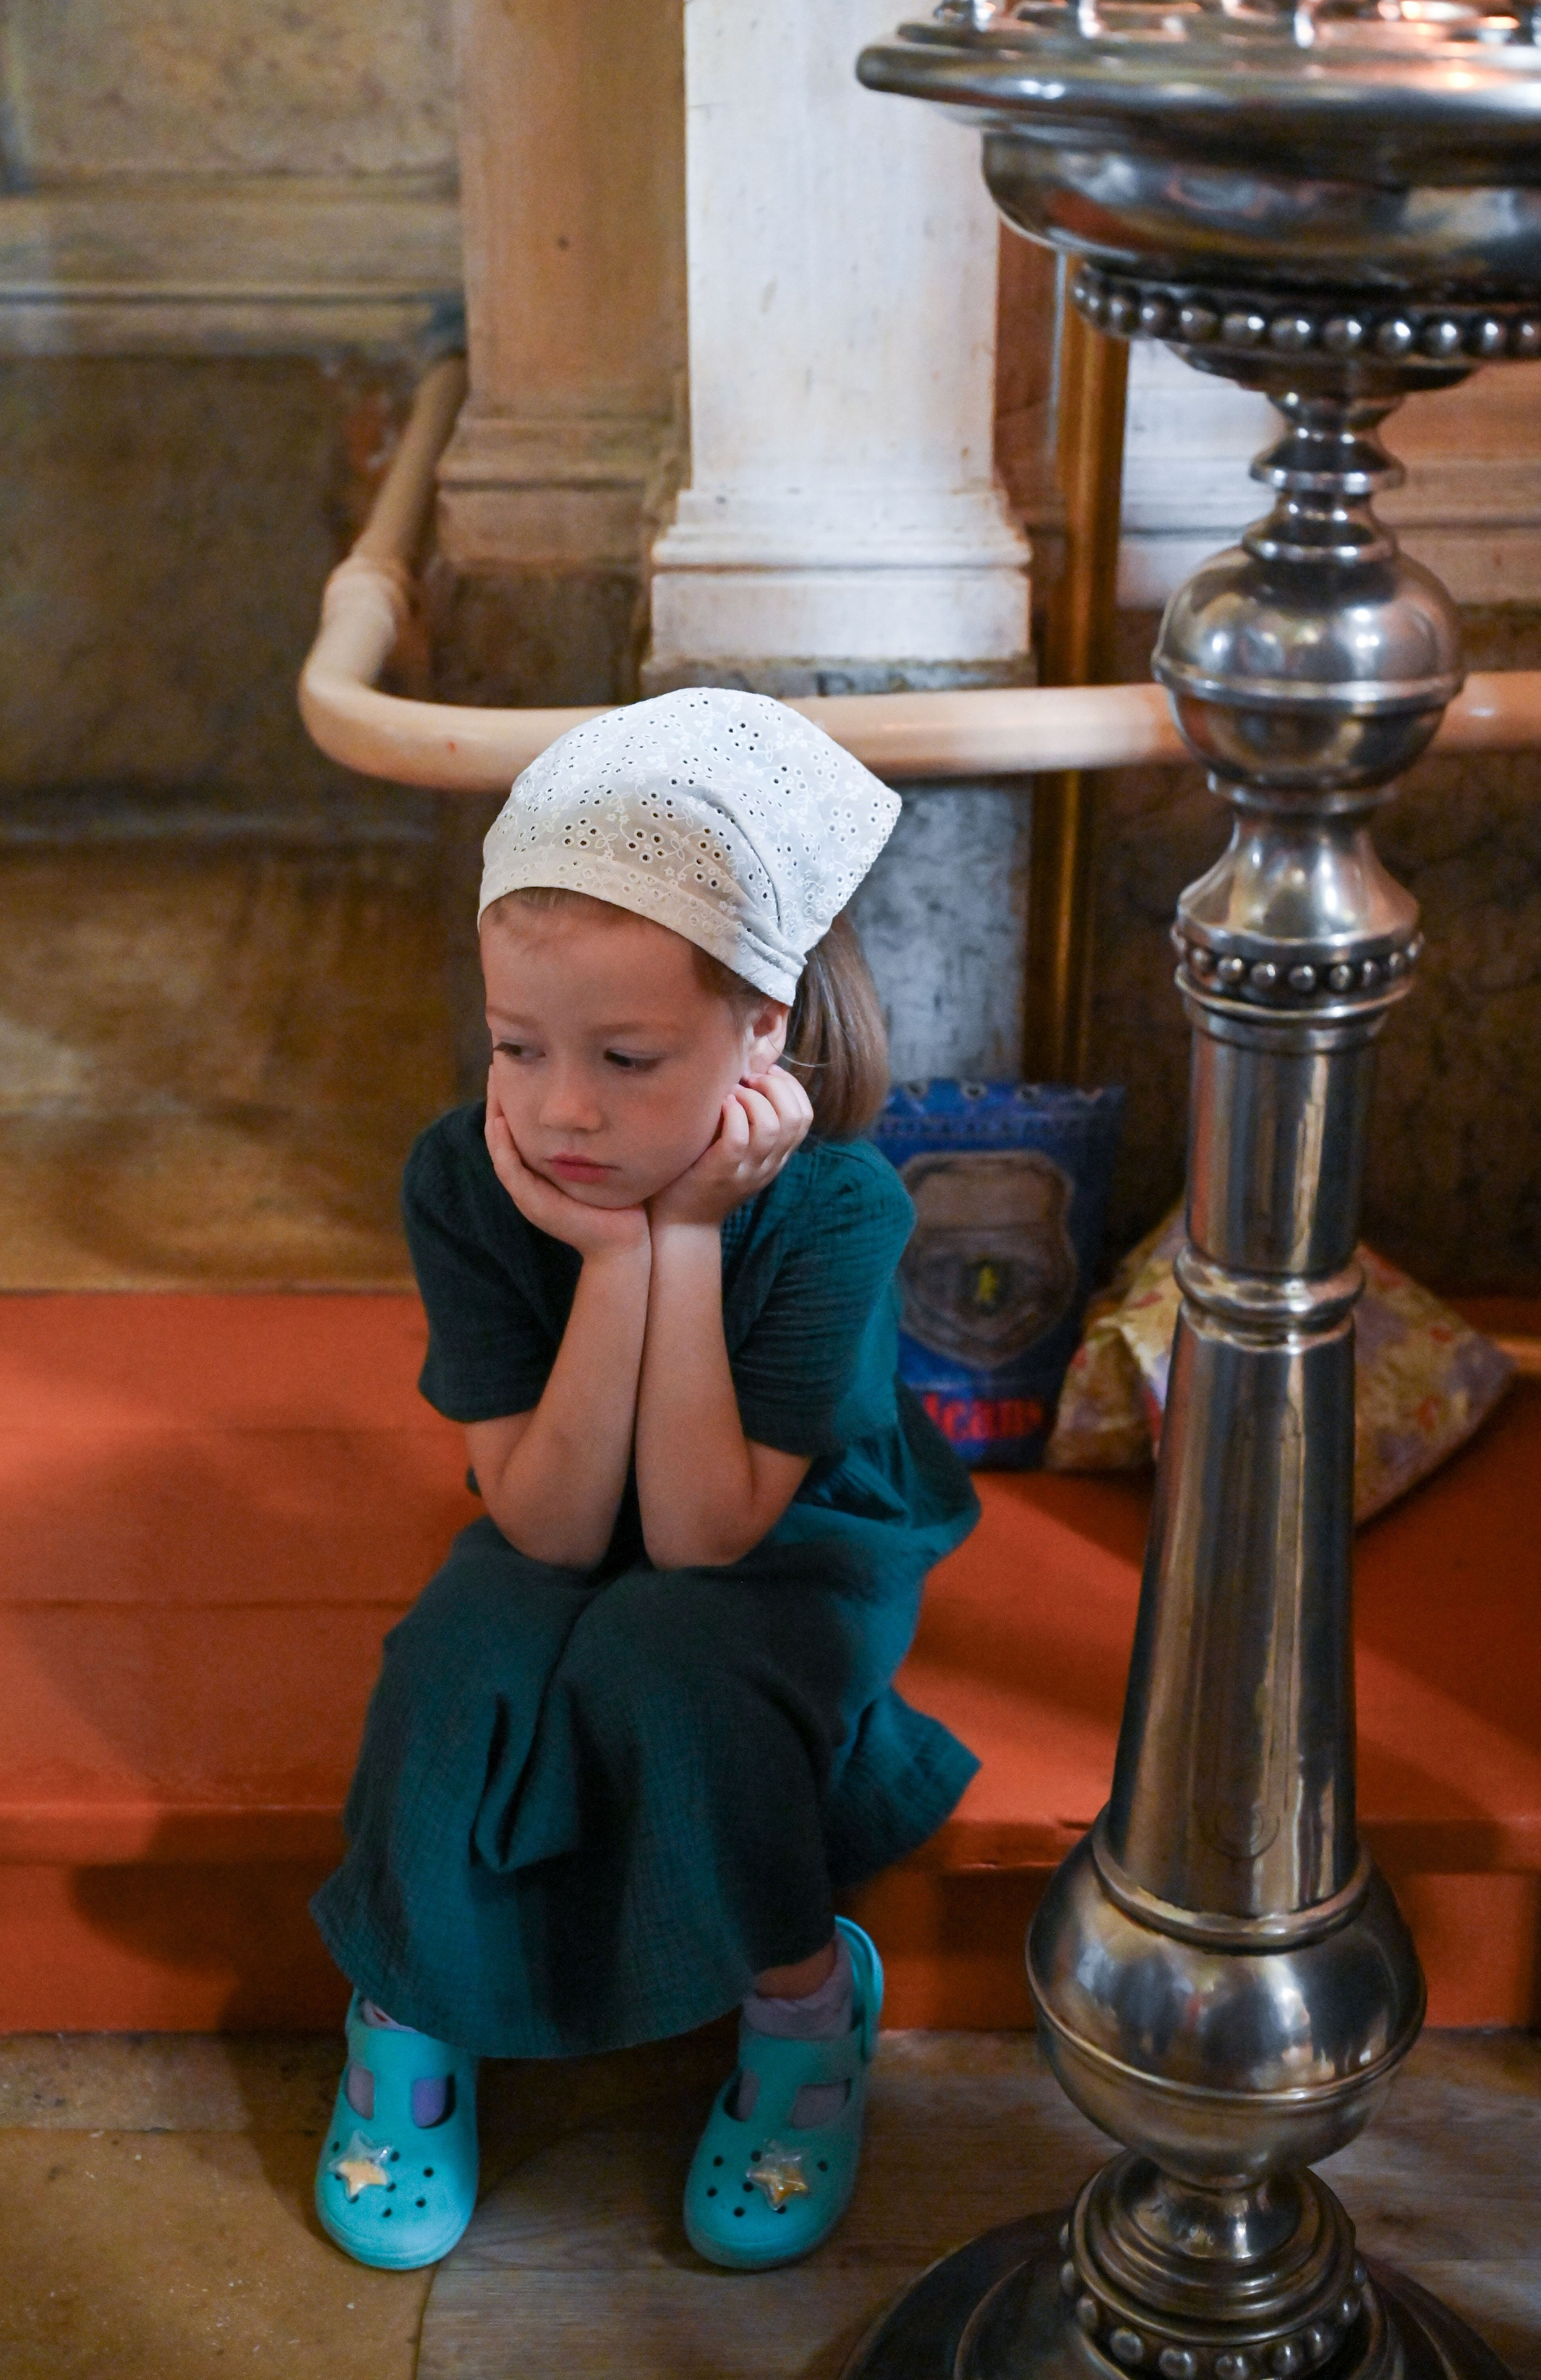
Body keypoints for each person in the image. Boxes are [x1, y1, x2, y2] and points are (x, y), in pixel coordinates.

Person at [309, 688, 981, 2274]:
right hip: (567, 1487)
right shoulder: (460, 1178)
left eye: (624, 1055)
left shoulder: (835, 1214)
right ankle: (407, 2010)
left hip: (785, 1536)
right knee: (452, 1660)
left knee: (669, 1666)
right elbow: (540, 1522)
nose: (558, 1108)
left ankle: (802, 2003)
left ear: (765, 1030)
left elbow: (698, 1539)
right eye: (516, 1047)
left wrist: (682, 1237)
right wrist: (617, 1259)